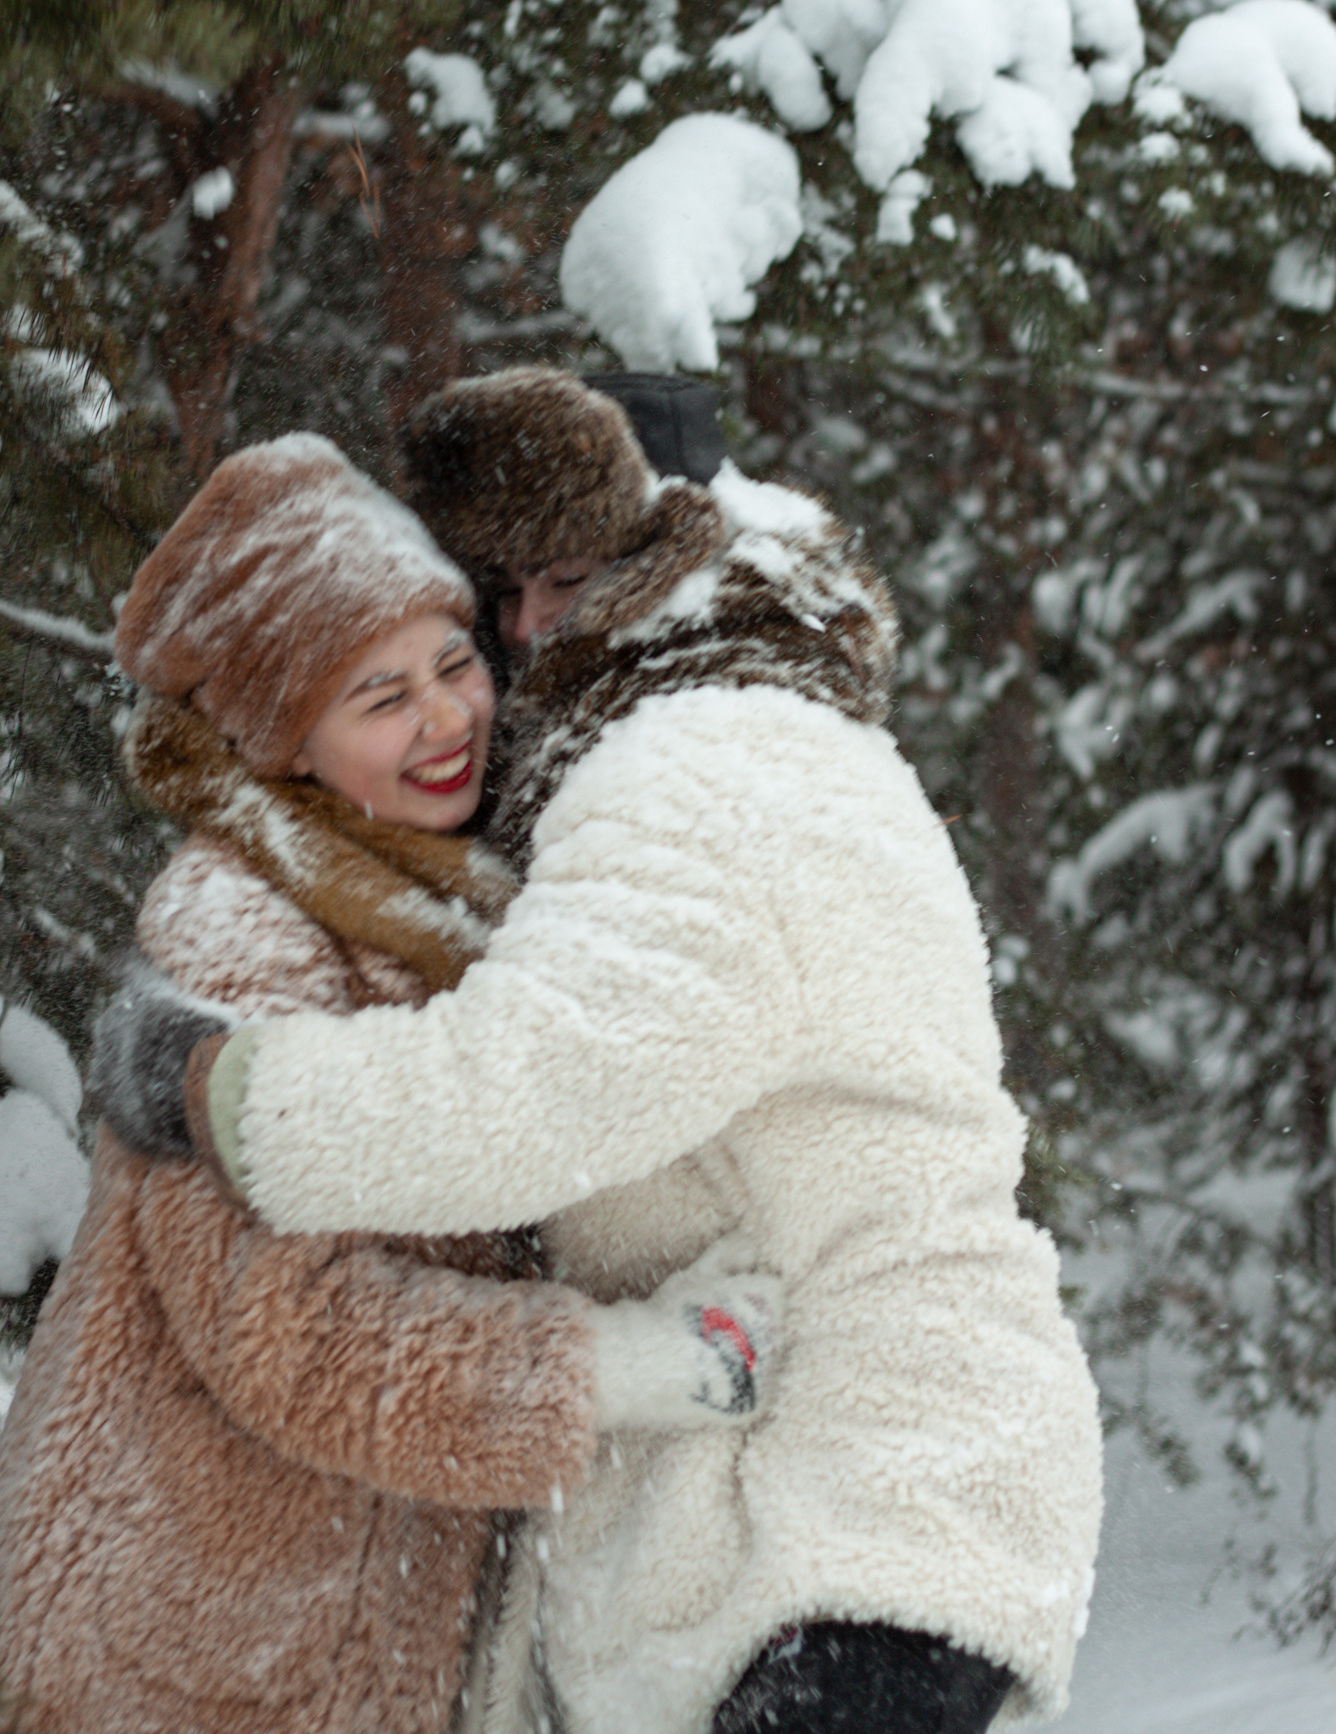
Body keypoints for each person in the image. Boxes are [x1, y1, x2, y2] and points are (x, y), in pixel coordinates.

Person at [97, 373, 1103, 1734]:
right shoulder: (760, 733)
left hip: (848, 1499)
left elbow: (526, 1092)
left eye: (559, 583)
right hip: (853, 1490)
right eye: (499, 595)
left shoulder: (700, 767)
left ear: (665, 557)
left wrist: (213, 1087)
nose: (519, 634)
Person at [0, 434, 780, 1734]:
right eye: (379, 697)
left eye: (453, 662)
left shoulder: (433, 892)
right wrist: (630, 1368)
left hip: (318, 1633)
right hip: (173, 1652)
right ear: (286, 742)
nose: (447, 717)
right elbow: (291, 1337)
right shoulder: (238, 931)